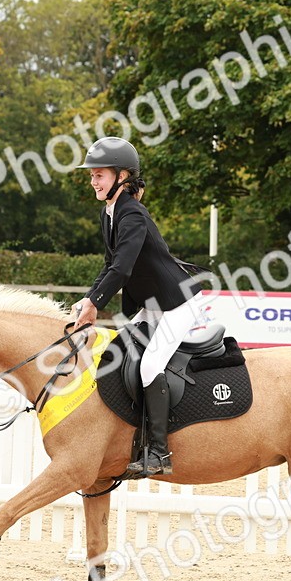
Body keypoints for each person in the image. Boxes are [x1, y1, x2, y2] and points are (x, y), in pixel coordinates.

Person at [71, 137, 207, 478]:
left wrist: (95, 305)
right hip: (152, 305)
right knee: (123, 355)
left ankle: (159, 452)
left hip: (178, 305)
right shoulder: (110, 213)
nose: (93, 182)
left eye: (99, 175)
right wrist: (89, 298)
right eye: (92, 176)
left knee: (149, 366)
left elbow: (123, 269)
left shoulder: (133, 213)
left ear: (122, 176)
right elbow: (109, 265)